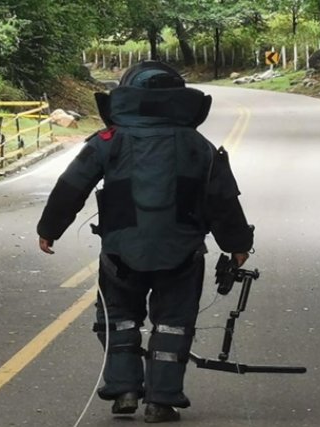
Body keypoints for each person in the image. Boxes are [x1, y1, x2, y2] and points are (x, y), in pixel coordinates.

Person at [36, 60, 253, 423]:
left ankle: (124, 390)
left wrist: (50, 228)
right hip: (182, 254)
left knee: (119, 318)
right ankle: (161, 401)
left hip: (120, 253)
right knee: (173, 324)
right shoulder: (198, 145)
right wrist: (237, 243)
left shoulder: (108, 141)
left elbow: (71, 185)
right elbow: (222, 199)